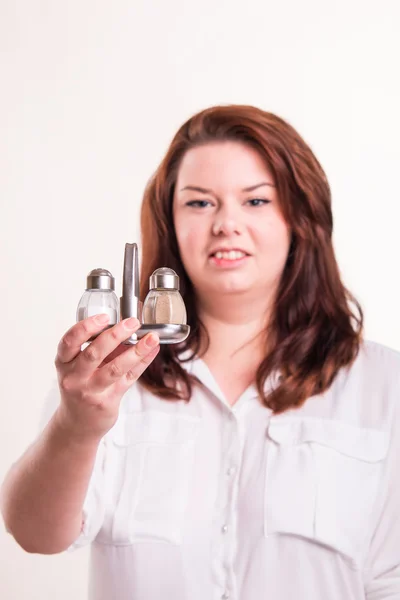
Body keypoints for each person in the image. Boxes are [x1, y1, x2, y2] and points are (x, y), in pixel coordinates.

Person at [1, 104, 400, 600]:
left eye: (255, 202)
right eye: (199, 203)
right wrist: (76, 426)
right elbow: (34, 534)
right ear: (170, 220)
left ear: (301, 217)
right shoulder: (113, 374)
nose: (226, 224)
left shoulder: (383, 385)